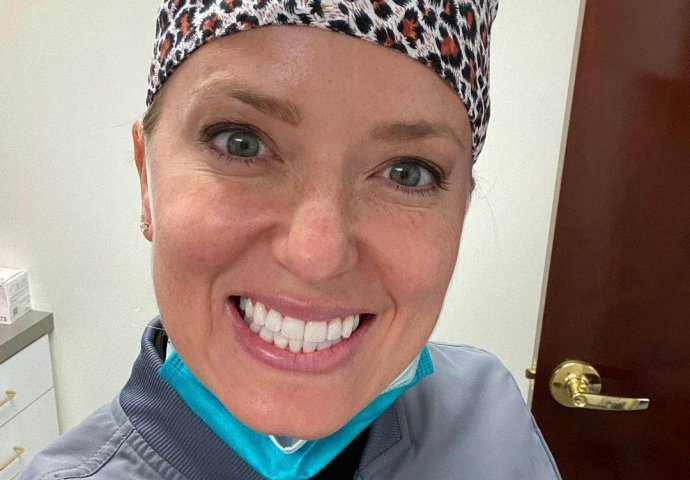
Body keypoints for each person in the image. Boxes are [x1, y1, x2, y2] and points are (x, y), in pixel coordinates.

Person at [20, 0, 561, 478]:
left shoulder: (492, 420)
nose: (316, 255)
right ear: (147, 181)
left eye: (407, 172)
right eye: (241, 143)